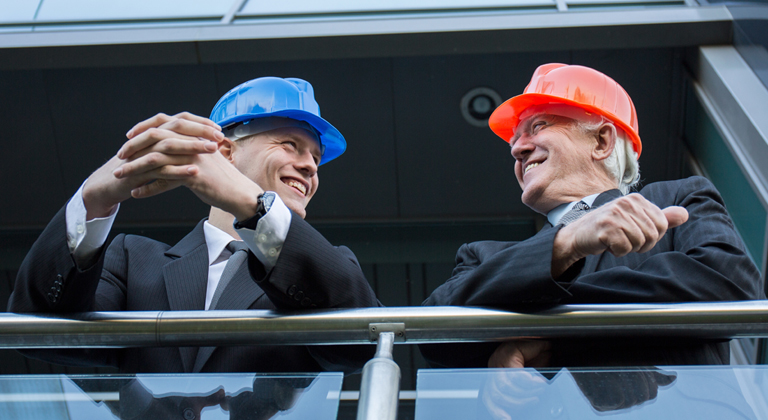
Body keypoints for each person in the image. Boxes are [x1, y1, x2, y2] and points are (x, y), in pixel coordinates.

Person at [9, 77, 379, 374]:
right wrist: (93, 199)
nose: (311, 166)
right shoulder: (132, 259)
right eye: (290, 144)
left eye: (315, 157)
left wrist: (254, 206)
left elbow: (363, 344)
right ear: (224, 152)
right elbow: (40, 329)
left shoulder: (332, 267)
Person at [421, 63, 763, 369]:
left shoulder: (675, 199)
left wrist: (543, 325)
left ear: (601, 141)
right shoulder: (482, 256)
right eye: (515, 138)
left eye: (538, 126)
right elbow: (434, 328)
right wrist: (566, 243)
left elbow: (733, 289)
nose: (517, 148)